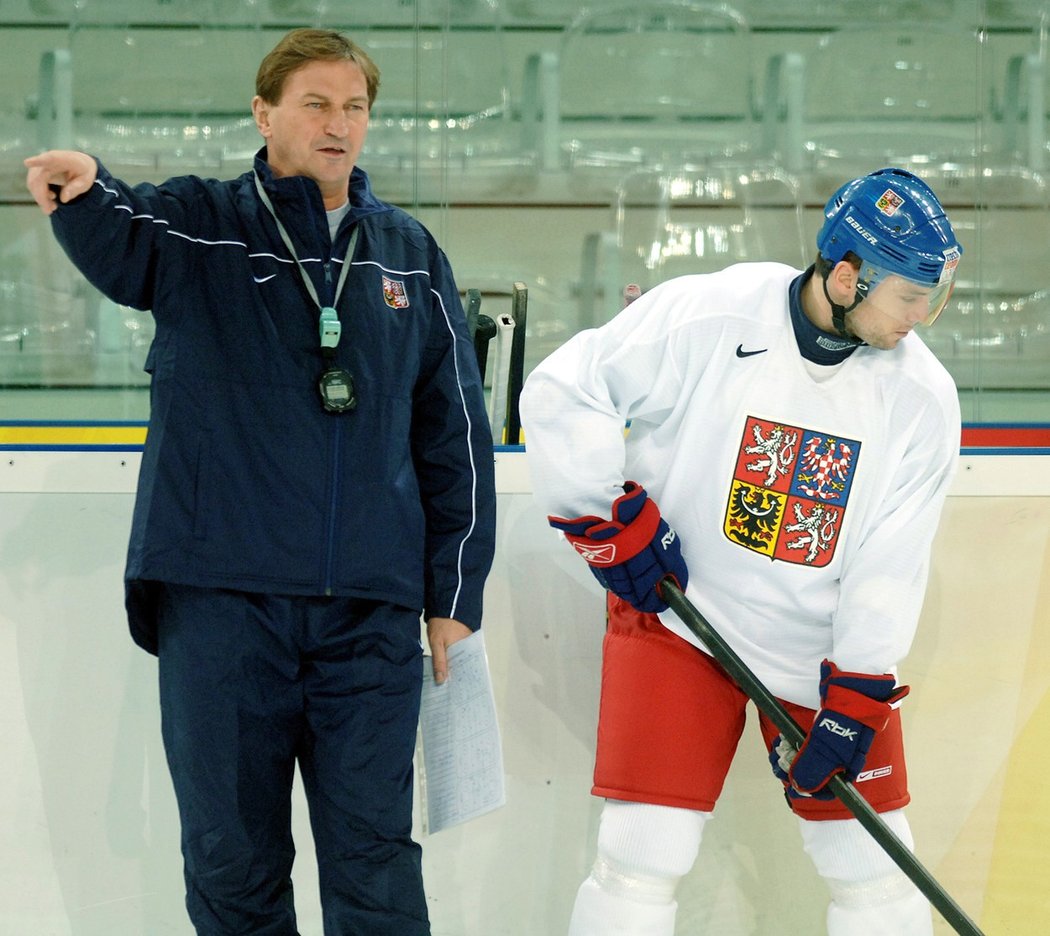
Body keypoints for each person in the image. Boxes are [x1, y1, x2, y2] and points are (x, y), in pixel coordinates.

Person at [25, 28, 496, 936]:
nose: (339, 124)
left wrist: (454, 591)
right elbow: (124, 234)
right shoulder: (201, 225)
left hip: (367, 612)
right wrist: (84, 184)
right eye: (316, 103)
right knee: (232, 857)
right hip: (222, 605)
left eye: (354, 107)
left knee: (376, 861)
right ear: (264, 111)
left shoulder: (407, 252)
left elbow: (456, 437)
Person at [519, 167, 962, 936]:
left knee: (873, 870)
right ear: (847, 274)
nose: (920, 318)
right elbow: (567, 388)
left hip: (820, 651)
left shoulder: (923, 395)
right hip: (683, 622)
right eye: (909, 296)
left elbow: (894, 557)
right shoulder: (712, 312)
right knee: (641, 856)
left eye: (934, 297)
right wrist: (602, 518)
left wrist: (859, 688)